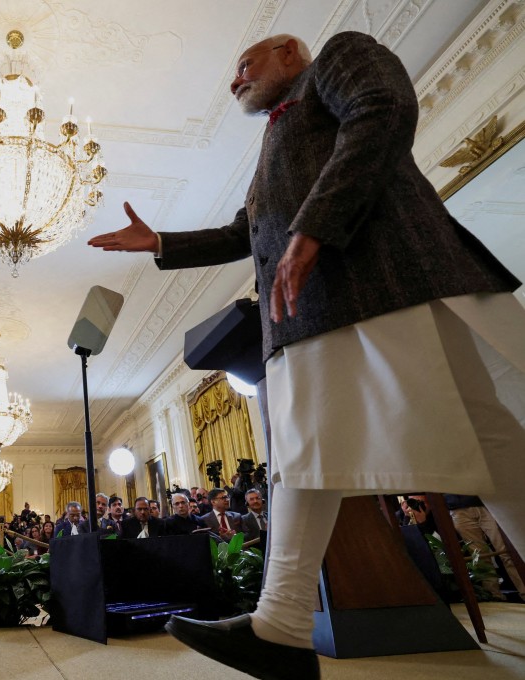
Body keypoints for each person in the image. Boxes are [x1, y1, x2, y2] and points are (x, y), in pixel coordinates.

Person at [88, 31, 525, 680]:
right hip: (314, 310)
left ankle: (280, 625)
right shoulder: (276, 139)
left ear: (289, 52)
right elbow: (246, 232)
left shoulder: (339, 59)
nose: (236, 81)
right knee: (302, 455)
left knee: (484, 440)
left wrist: (315, 227)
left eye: (245, 66)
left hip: (385, 280)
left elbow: (384, 109)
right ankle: (282, 626)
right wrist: (161, 241)